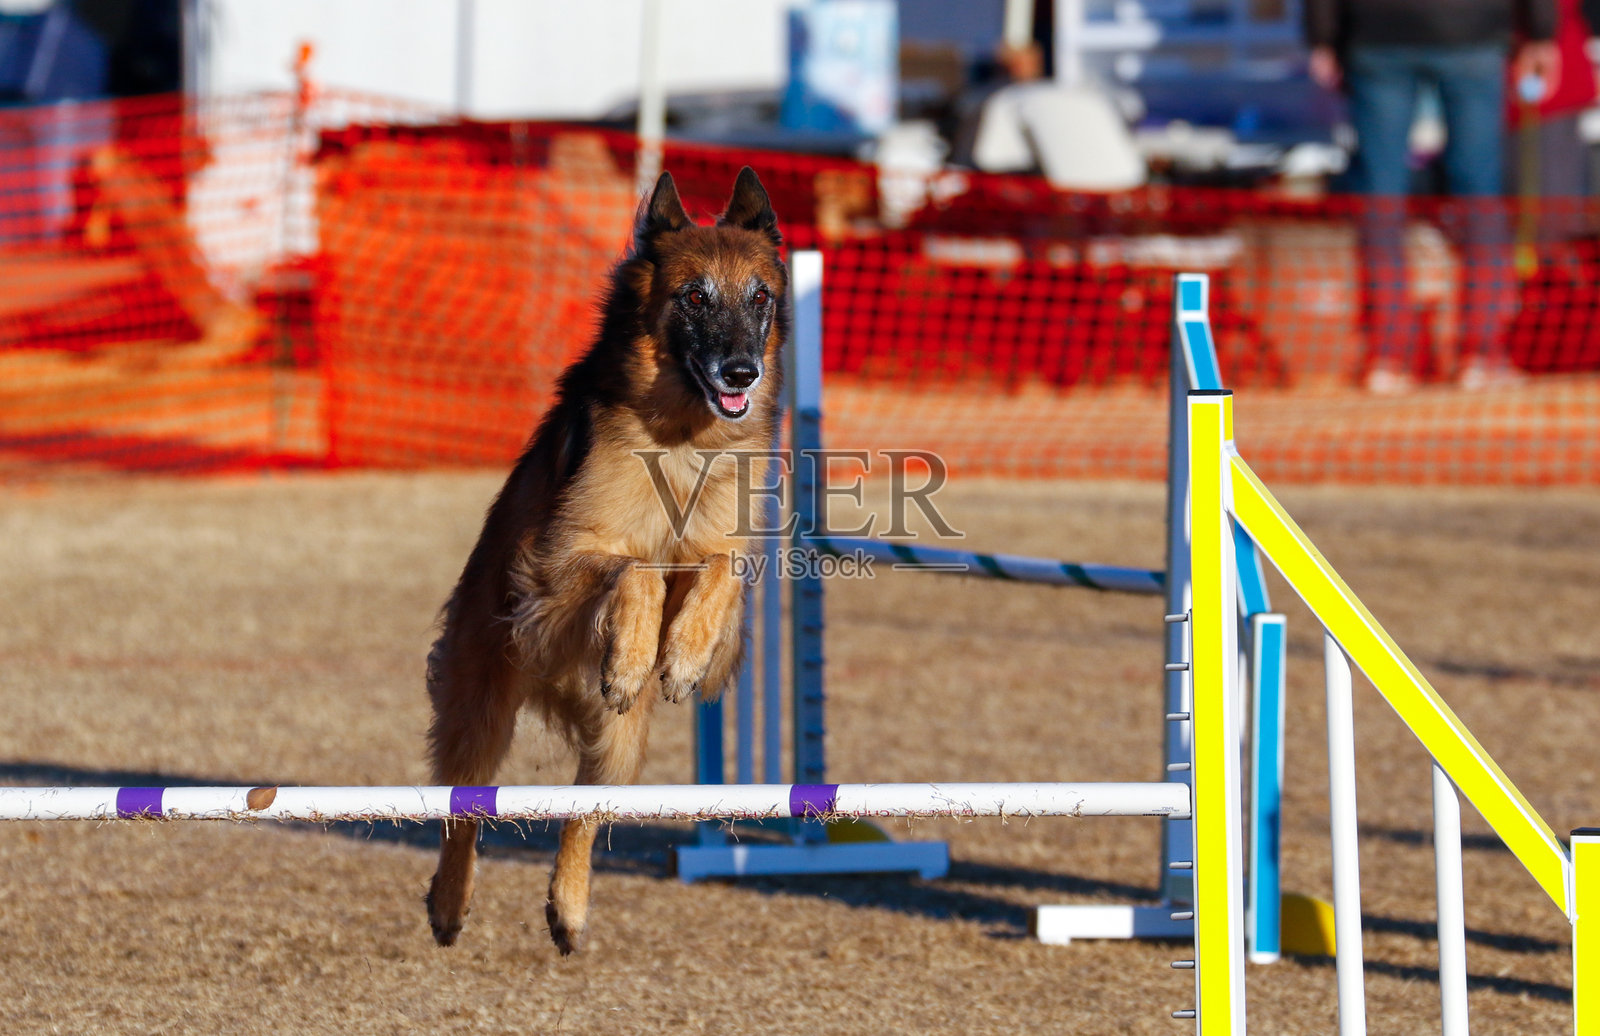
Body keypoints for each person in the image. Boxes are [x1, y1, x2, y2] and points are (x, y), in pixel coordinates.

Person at [1306, 0, 1559, 391]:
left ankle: (1388, 358)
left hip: (1379, 31)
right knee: (1479, 194)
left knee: (1381, 196)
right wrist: (1541, 32)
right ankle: (1482, 354)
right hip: (1470, 30)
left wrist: (1321, 35)